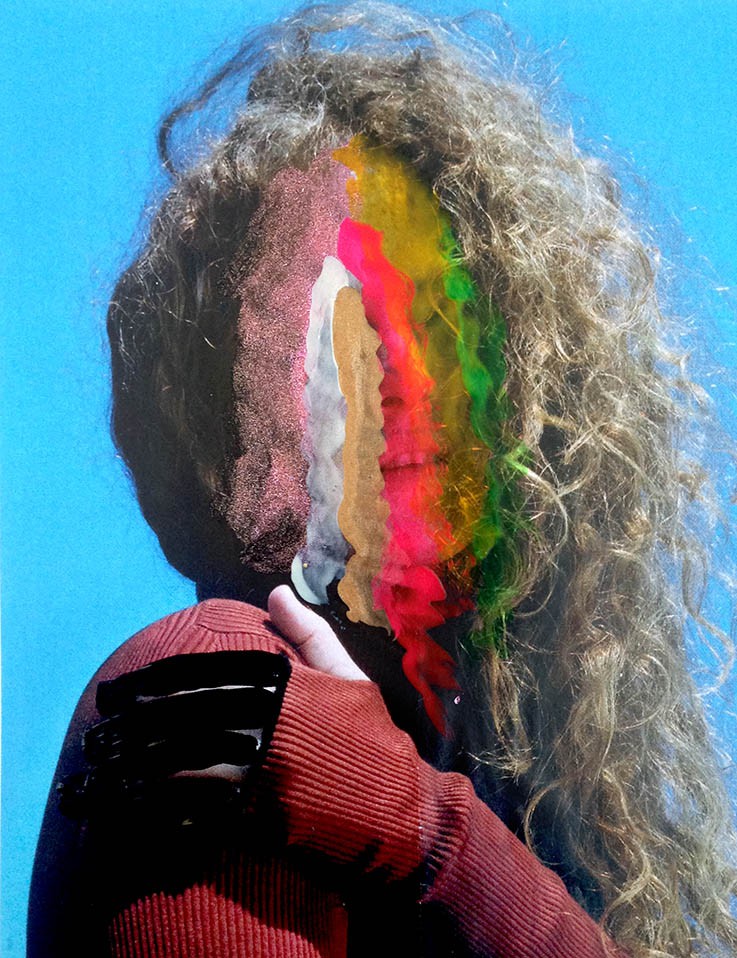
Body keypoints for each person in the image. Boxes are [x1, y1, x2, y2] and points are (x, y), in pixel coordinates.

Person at [29, 3, 737, 957]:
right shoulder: (217, 688)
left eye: (437, 326)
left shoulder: (503, 814)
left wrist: (422, 825)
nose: (392, 372)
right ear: (198, 412)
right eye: (337, 317)